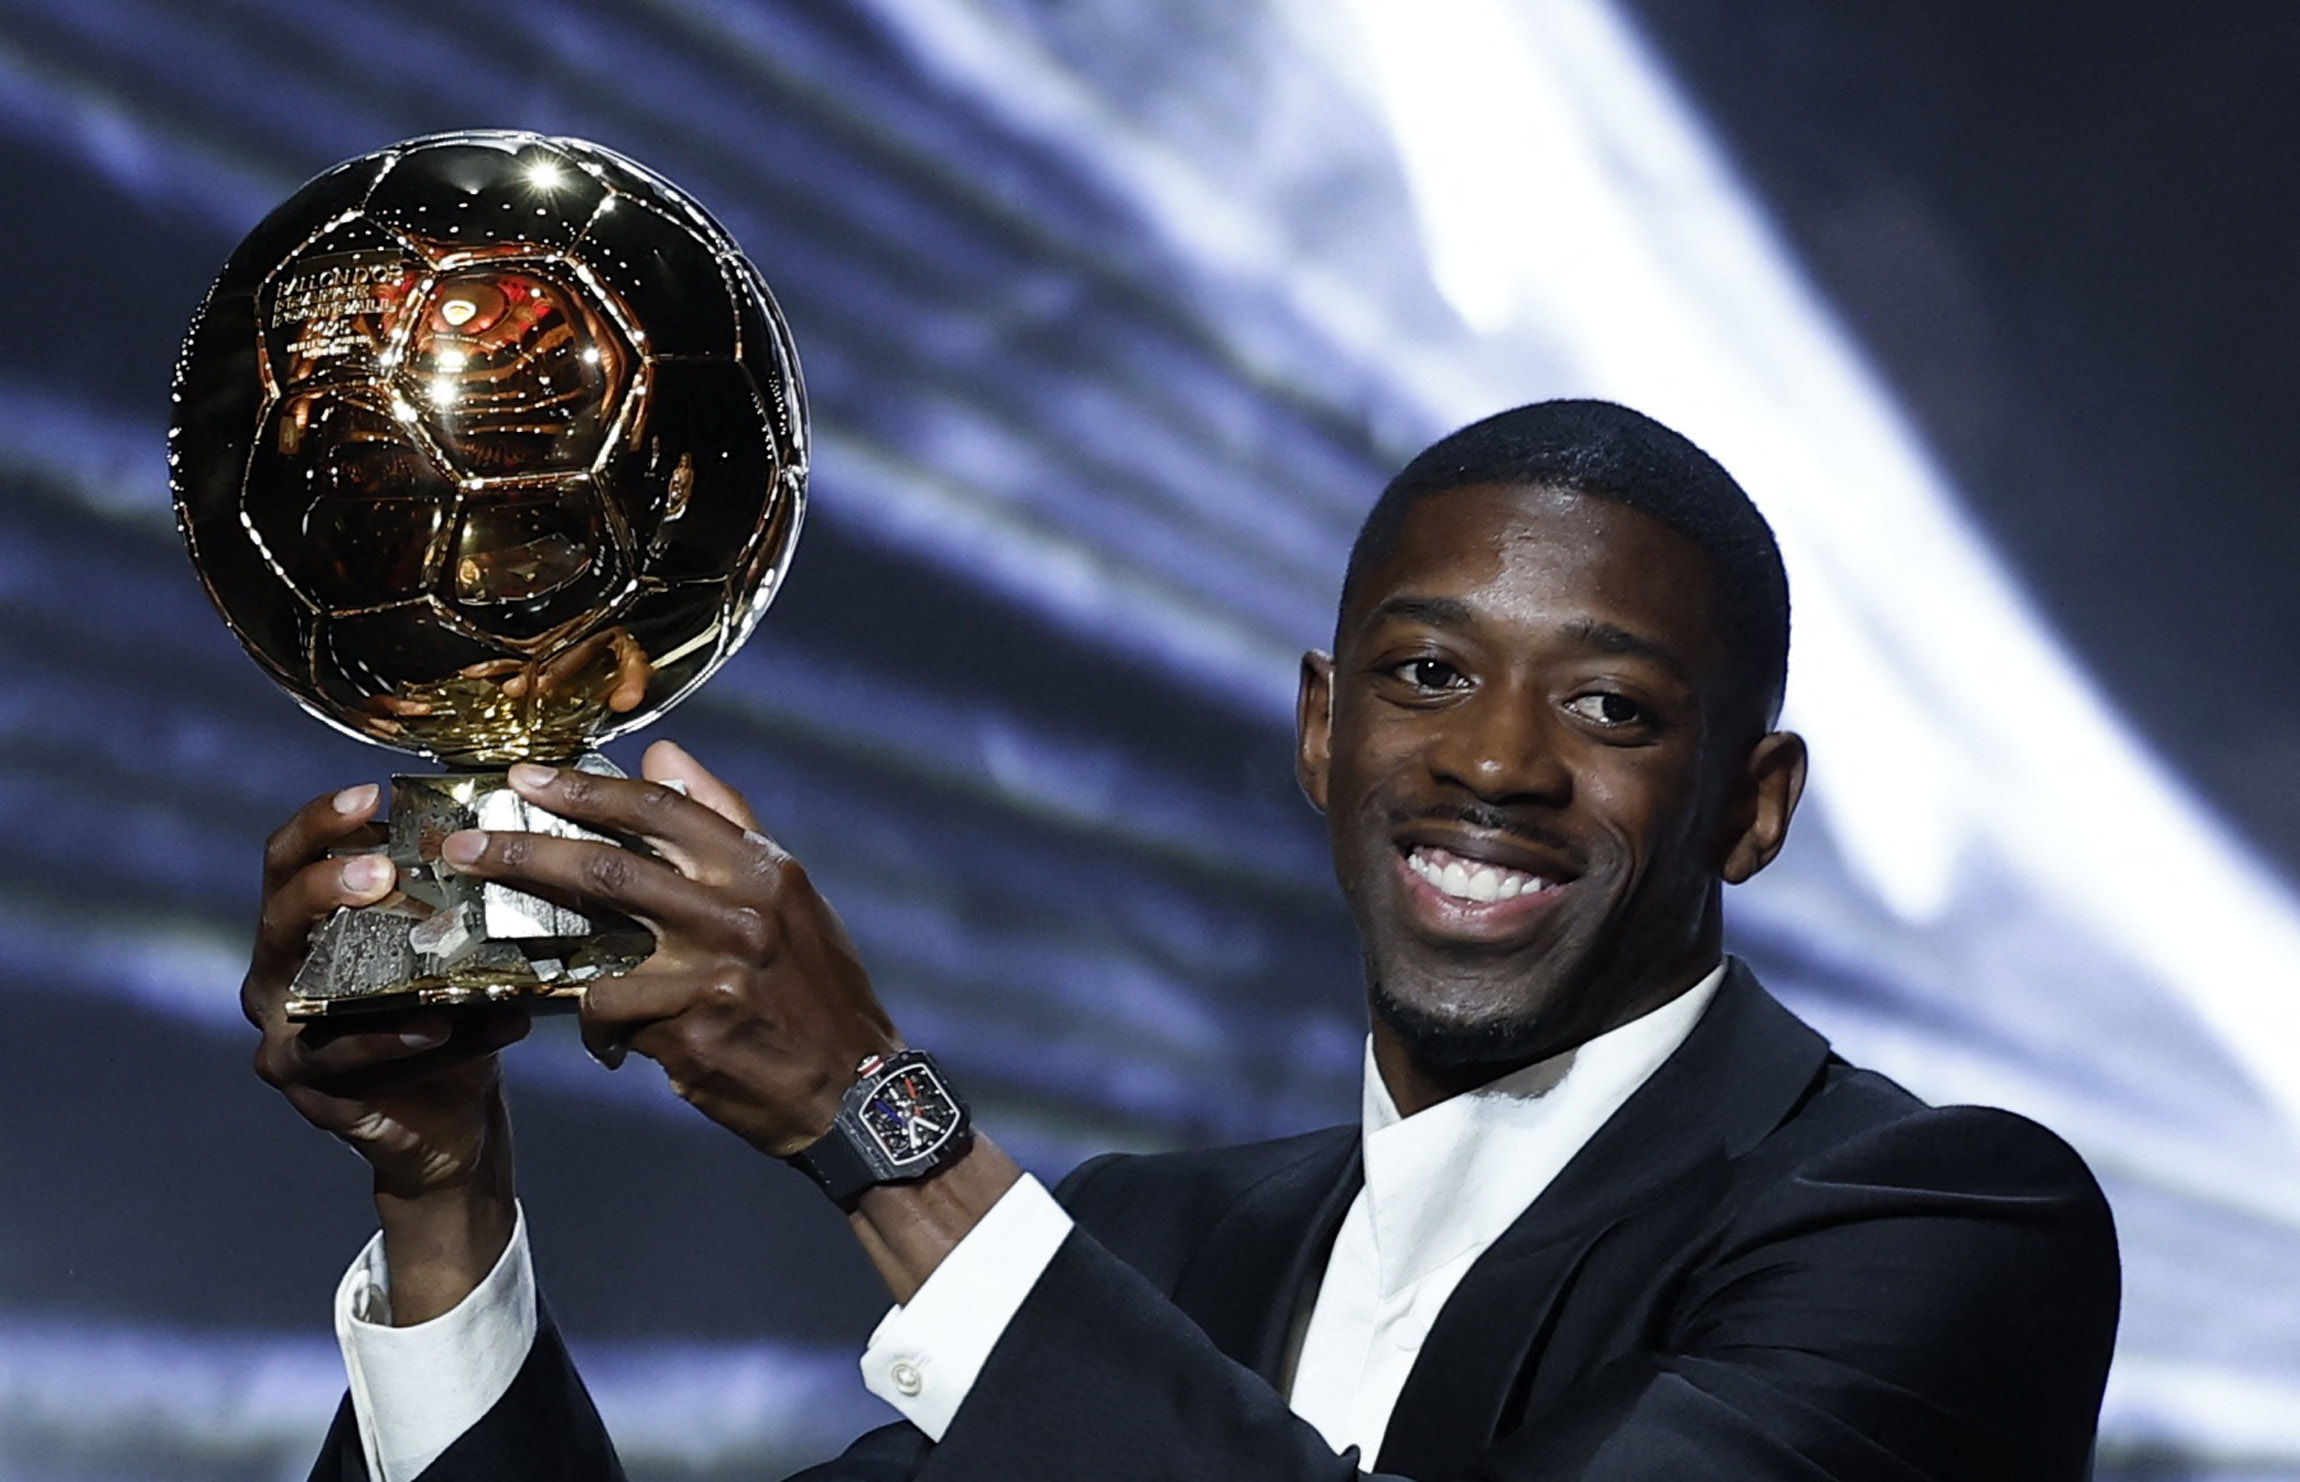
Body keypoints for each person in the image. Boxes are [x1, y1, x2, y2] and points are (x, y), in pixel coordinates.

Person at [246, 399, 2120, 1481]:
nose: (1493, 760)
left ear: (1753, 802)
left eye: (1613, 710)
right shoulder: (1149, 1246)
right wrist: (442, 1198)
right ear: (1325, 733)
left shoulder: (1931, 1225)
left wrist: (878, 1119)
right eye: (1428, 674)